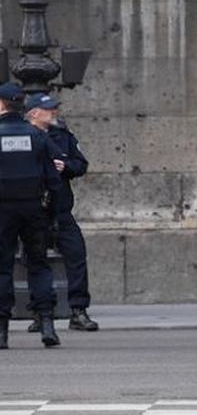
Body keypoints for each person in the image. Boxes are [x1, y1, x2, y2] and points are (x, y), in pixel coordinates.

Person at [25, 93, 99, 332]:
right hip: (34, 210)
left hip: (61, 210)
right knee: (34, 261)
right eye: (49, 109)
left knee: (76, 256)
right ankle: (40, 313)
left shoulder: (63, 136)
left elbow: (81, 165)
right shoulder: (23, 136)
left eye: (55, 108)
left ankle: (78, 310)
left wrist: (65, 167)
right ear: (34, 113)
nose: (54, 112)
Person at [0, 83, 63, 349]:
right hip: (33, 208)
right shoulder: (37, 136)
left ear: (2, 104)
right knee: (38, 265)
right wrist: (55, 212)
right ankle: (46, 323)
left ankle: (1, 331)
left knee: (2, 268)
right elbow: (53, 178)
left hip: (2, 210)